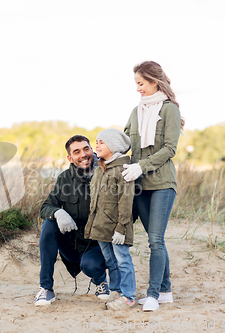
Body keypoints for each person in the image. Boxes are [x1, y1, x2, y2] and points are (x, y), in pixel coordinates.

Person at [122, 60, 183, 311]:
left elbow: (170, 149)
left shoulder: (169, 109)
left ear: (154, 81)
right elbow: (124, 141)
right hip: (139, 185)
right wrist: (100, 152)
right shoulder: (137, 111)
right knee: (154, 238)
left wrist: (142, 165)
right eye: (136, 83)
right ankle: (166, 289)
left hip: (162, 183)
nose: (138, 88)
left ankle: (154, 295)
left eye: (141, 83)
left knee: (155, 240)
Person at [34, 135, 121, 306]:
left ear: (92, 150)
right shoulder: (65, 178)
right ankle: (46, 289)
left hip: (97, 246)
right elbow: (45, 207)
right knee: (49, 225)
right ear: (70, 158)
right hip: (72, 244)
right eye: (77, 152)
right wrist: (58, 213)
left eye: (86, 149)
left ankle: (101, 281)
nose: (83, 154)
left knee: (91, 266)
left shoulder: (107, 173)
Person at [85, 129, 136, 311]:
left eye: (101, 142)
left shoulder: (122, 170)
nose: (96, 146)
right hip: (101, 227)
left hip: (116, 228)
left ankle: (128, 296)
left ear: (113, 147)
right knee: (110, 260)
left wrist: (121, 228)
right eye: (96, 142)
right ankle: (117, 291)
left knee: (122, 259)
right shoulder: (100, 169)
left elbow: (125, 200)